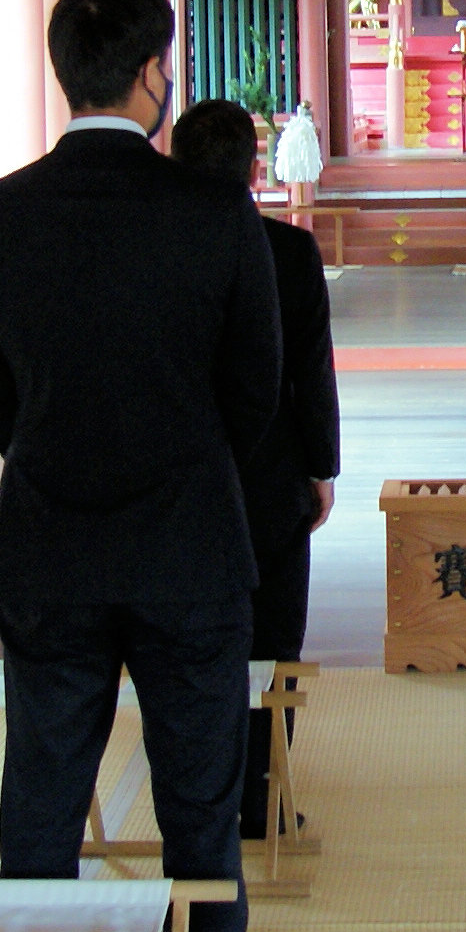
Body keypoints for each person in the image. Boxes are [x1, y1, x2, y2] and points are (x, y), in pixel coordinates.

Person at [0, 0, 282, 932]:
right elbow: (255, 393)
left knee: (40, 809)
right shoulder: (212, 211)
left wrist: (56, 457)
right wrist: (183, 465)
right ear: (151, 75)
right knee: (199, 811)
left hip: (47, 548)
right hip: (188, 549)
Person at [172, 98, 340, 836]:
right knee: (274, 643)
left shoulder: (153, 250)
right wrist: (321, 467)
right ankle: (263, 798)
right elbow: (311, 371)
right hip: (271, 482)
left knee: (189, 644)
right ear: (253, 168)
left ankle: (199, 801)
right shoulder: (289, 253)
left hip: (176, 483)